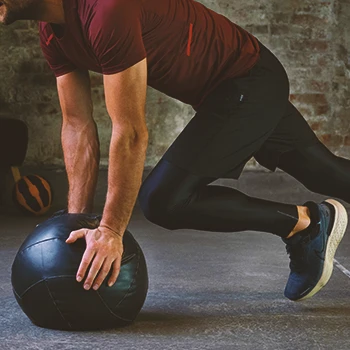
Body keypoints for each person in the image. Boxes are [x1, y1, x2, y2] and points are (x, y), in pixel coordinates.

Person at [1, 0, 349, 302]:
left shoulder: (106, 10)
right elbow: (77, 125)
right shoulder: (51, 33)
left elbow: (131, 131)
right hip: (228, 91)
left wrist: (109, 230)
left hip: (248, 79)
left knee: (163, 199)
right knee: (326, 172)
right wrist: (74, 224)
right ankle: (308, 226)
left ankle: (304, 225)